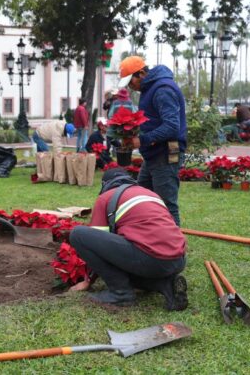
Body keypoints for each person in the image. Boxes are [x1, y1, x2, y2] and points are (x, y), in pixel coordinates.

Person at [68, 168, 188, 310]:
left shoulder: (106, 197)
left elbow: (96, 243)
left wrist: (88, 280)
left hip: (151, 258)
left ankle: (120, 293)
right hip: (178, 260)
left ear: (105, 184)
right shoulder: (150, 194)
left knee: (78, 234)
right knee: (130, 262)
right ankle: (165, 285)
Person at [117, 56, 186, 226]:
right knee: (143, 198)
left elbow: (172, 126)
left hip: (165, 154)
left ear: (141, 73)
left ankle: (175, 250)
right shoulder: (150, 89)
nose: (130, 87)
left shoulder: (162, 89)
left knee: (166, 204)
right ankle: (150, 237)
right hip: (154, 154)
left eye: (130, 81)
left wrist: (142, 140)